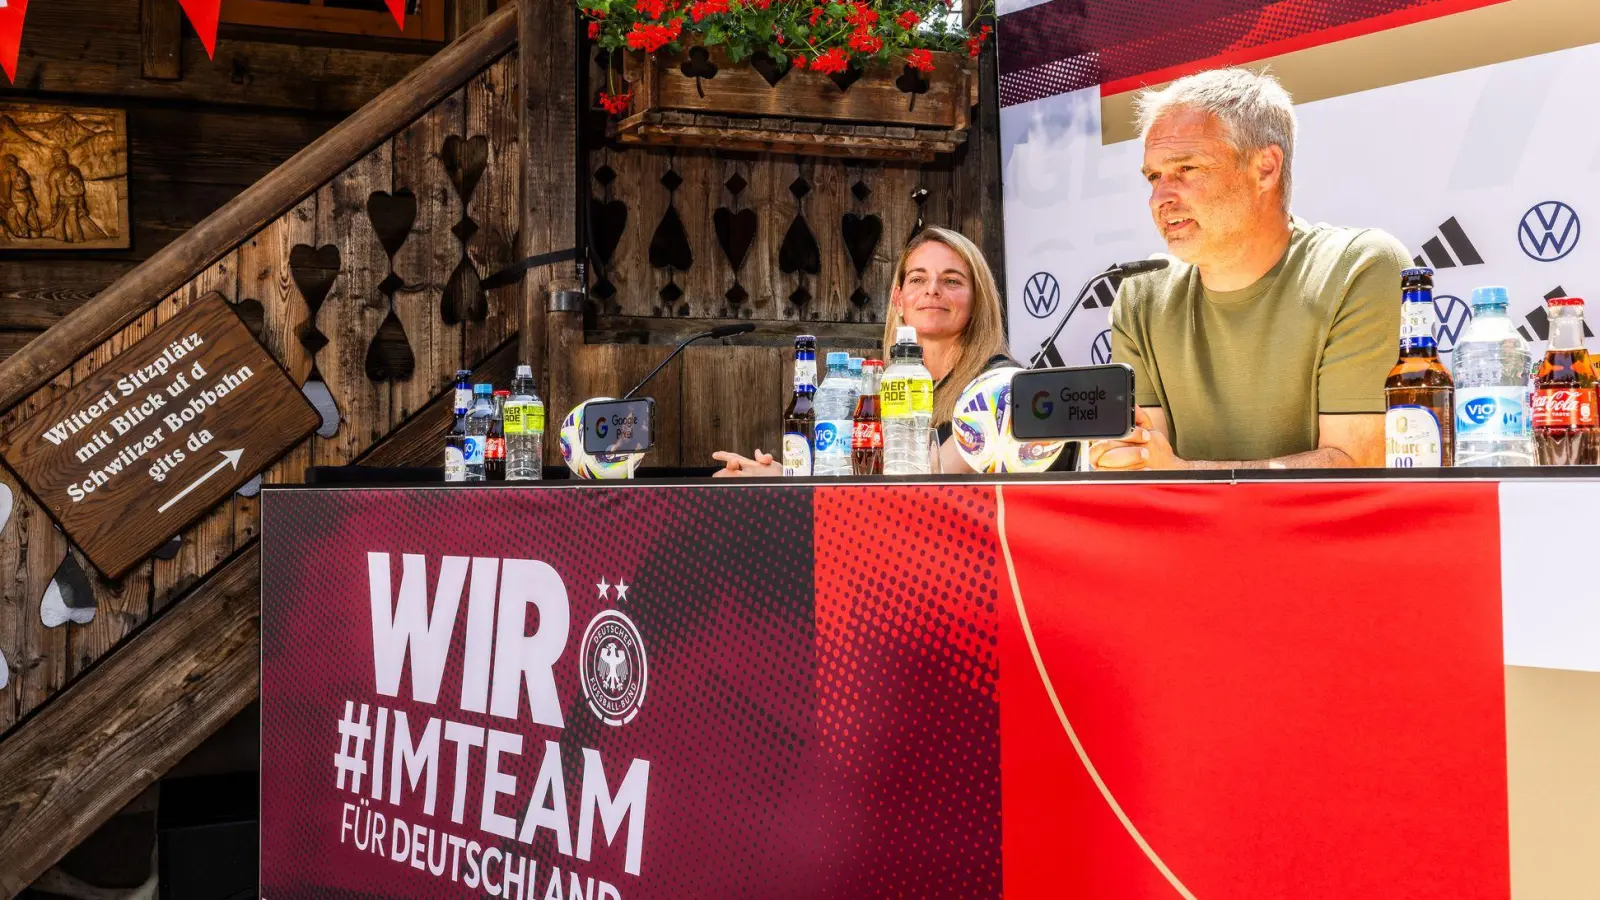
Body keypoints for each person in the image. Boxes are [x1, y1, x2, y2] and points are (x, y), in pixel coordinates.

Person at [1089, 67, 1406, 472]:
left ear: (1265, 168)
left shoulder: (1359, 267)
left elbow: (1357, 464)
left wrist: (1185, 474)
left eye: (1186, 168)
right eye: (1154, 176)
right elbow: (1147, 464)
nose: (1159, 198)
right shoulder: (1141, 294)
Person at [712, 226, 1016, 476]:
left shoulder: (1000, 387)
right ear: (898, 300)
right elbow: (854, 477)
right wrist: (784, 477)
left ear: (978, 300)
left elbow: (925, 482)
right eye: (917, 279)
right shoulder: (880, 388)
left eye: (951, 280)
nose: (932, 289)